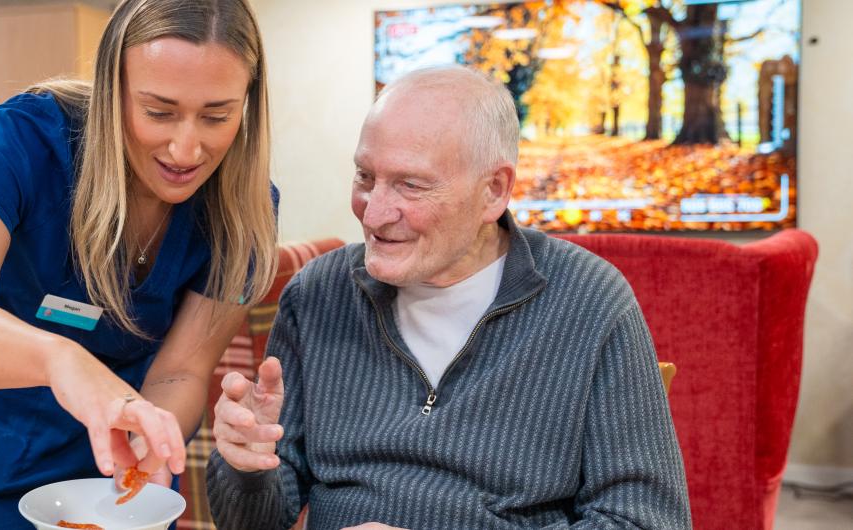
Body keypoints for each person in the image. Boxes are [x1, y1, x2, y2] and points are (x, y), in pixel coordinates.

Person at [206, 66, 692, 530]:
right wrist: (247, 467)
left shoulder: (590, 302)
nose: (372, 214)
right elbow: (256, 521)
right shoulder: (319, 294)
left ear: (494, 191)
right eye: (365, 178)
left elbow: (645, 520)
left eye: (410, 185)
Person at [0, 0, 278, 527]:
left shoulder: (245, 209)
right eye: (159, 111)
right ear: (112, 90)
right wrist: (60, 360)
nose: (186, 149)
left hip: (111, 483)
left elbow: (182, 370)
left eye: (216, 116)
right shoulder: (25, 139)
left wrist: (150, 439)